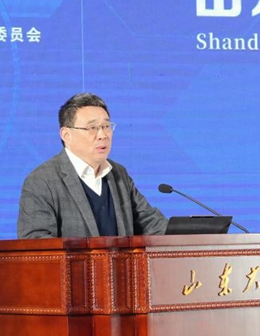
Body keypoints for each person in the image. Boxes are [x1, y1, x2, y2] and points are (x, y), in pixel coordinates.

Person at [17, 93, 168, 238]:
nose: (103, 135)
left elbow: (150, 223)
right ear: (66, 135)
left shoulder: (118, 173)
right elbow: (36, 241)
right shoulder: (42, 181)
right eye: (92, 128)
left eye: (106, 126)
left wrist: (181, 230)